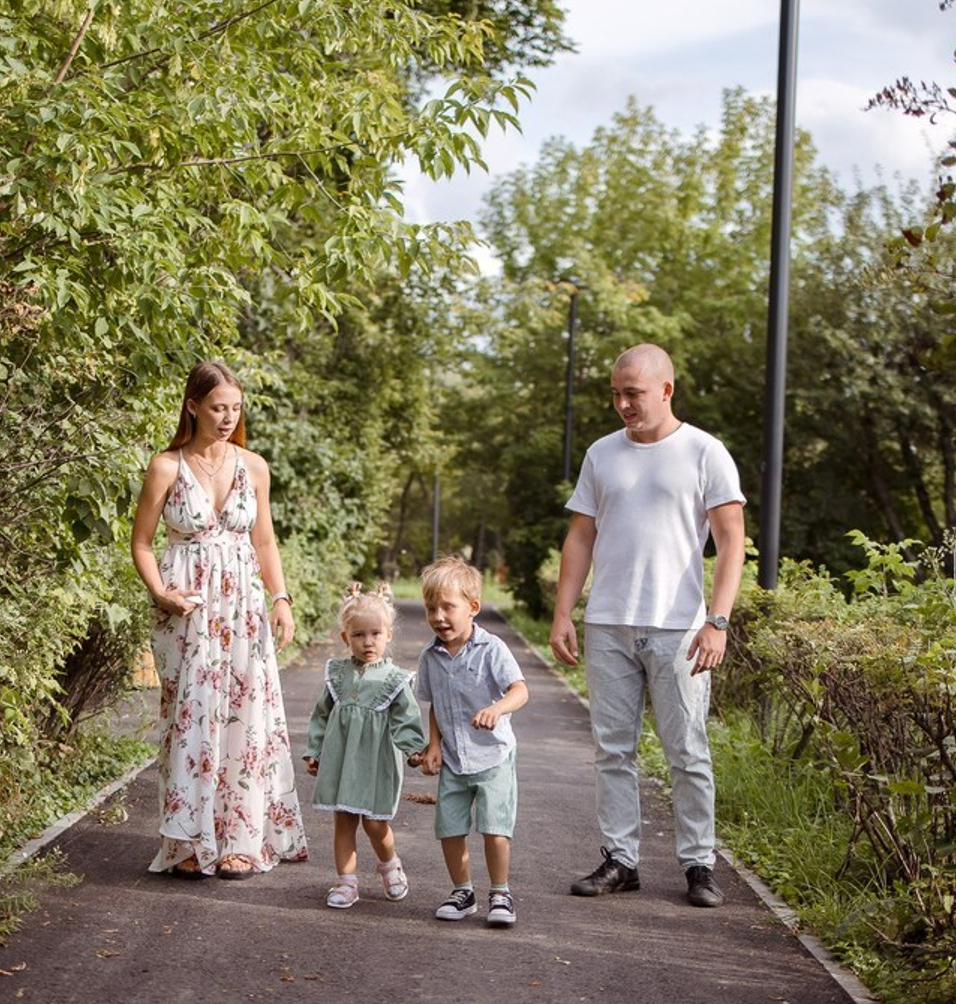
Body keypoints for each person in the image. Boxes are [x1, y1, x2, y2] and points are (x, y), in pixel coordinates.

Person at [550, 343, 746, 908]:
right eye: (616, 393)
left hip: (679, 629)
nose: (622, 404)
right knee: (613, 750)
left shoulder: (705, 452)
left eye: (632, 393)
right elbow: (580, 536)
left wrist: (718, 620)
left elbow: (731, 542)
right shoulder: (601, 454)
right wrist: (565, 611)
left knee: (687, 750)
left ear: (666, 389)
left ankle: (699, 864)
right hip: (609, 622)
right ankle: (621, 861)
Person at [130, 359, 308, 880]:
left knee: (246, 719)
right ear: (193, 406)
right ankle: (186, 841)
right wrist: (161, 593)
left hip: (244, 609)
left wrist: (281, 598)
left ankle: (238, 839)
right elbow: (141, 542)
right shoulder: (167, 466)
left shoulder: (254, 466)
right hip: (186, 610)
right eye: (217, 408)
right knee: (192, 718)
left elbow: (265, 541)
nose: (228, 417)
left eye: (235, 407)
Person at [416, 557, 528, 928]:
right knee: (450, 829)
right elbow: (434, 705)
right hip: (453, 759)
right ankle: (462, 891)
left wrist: (497, 708)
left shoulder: (491, 649)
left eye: (448, 607)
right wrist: (433, 745)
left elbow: (520, 690)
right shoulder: (430, 656)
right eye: (432, 608)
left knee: (495, 829)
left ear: (473, 608)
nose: (439, 616)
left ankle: (501, 892)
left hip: (493, 756)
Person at [302, 583, 428, 910]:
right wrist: (314, 750)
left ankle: (390, 865)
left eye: (375, 634)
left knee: (374, 823)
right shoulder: (338, 674)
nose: (368, 641)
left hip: (375, 762)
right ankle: (346, 882)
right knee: (344, 821)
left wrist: (414, 749)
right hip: (341, 760)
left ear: (388, 636)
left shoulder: (394, 679)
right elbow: (321, 715)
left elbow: (406, 718)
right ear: (346, 638)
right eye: (358, 635)